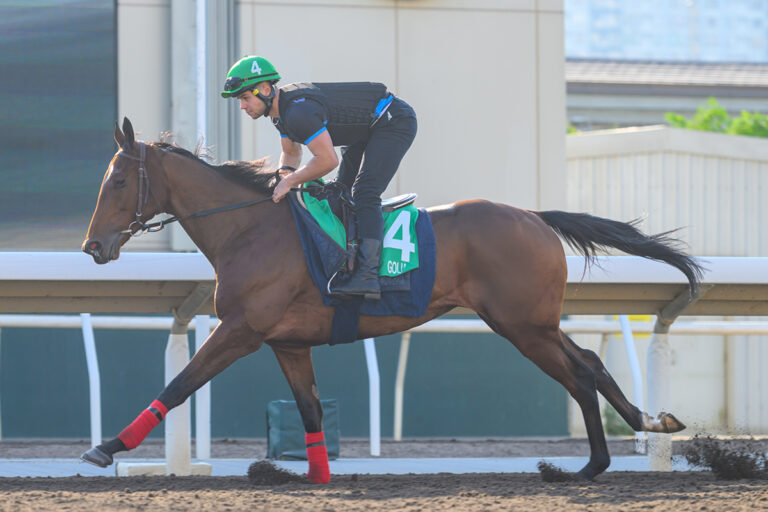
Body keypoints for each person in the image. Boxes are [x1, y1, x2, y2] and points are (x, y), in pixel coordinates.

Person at [221, 55, 417, 300]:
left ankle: (367, 275)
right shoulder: (279, 114)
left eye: (244, 98)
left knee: (365, 193)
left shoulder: (297, 113)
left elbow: (327, 160)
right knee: (340, 193)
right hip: (365, 127)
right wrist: (282, 178)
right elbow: (290, 153)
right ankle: (350, 259)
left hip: (393, 122)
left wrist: (290, 182)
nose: (242, 106)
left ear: (264, 89)